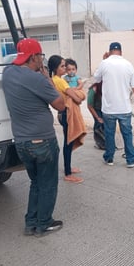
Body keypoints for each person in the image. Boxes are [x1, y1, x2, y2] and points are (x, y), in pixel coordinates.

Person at [2, 38, 65, 237]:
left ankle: (31, 223)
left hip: (21, 141)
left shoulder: (8, 73)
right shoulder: (36, 79)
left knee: (36, 182)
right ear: (34, 57)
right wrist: (47, 78)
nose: (42, 60)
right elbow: (60, 105)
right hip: (42, 141)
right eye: (40, 56)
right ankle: (44, 223)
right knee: (47, 183)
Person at [93, 42, 134, 168]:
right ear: (121, 52)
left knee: (109, 134)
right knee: (127, 134)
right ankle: (130, 160)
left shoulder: (104, 63)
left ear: (109, 52)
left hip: (109, 109)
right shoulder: (128, 64)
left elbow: (96, 79)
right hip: (124, 108)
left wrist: (104, 60)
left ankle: (109, 158)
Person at [48, 55, 87, 184]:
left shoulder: (56, 79)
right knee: (68, 142)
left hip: (63, 113)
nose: (65, 68)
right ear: (55, 68)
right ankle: (68, 173)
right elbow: (76, 98)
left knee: (68, 141)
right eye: (62, 66)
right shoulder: (60, 81)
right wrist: (80, 95)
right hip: (66, 114)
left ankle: (68, 168)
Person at [87, 81, 106, 150]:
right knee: (99, 124)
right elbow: (89, 105)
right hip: (96, 109)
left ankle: (105, 142)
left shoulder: (108, 88)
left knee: (105, 125)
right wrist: (97, 117)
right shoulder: (93, 89)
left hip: (105, 109)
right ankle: (100, 143)